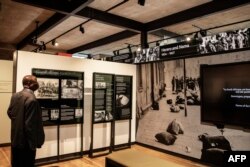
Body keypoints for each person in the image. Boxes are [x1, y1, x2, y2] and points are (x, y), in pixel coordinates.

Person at [7, 75, 45, 167]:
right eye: (35, 81)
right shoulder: (32, 100)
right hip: (26, 143)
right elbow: (30, 125)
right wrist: (33, 144)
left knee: (16, 163)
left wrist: (18, 123)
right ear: (28, 84)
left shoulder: (15, 96)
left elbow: (9, 112)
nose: (37, 84)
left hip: (15, 138)